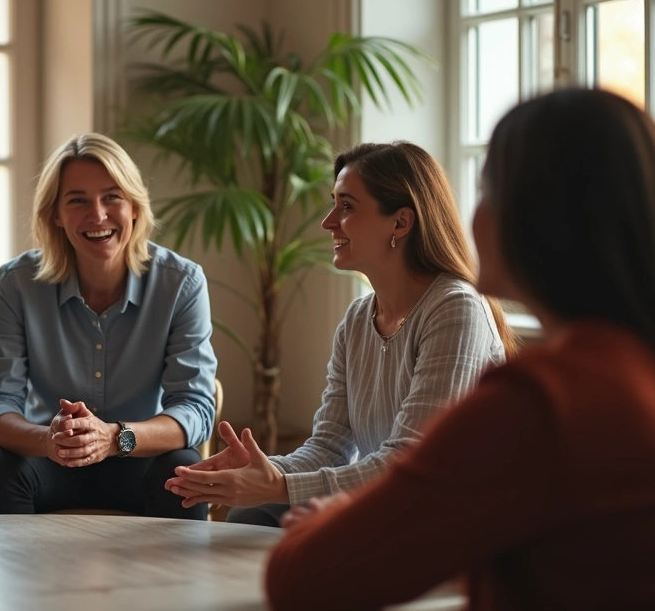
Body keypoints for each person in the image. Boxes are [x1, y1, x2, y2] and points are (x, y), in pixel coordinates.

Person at [266, 88, 655, 609]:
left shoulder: (539, 401)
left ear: (537, 220)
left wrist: (333, 515)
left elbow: (301, 578)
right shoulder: (627, 372)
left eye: (487, 191)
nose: (471, 217)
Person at [166, 141, 516, 526]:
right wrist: (258, 471)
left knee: (270, 510)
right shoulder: (357, 319)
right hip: (392, 503)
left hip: (450, 516)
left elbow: (410, 462)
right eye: (334, 203)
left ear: (401, 223)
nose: (328, 221)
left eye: (347, 206)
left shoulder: (456, 308)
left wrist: (277, 486)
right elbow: (329, 448)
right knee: (253, 511)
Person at [0, 132, 217, 519]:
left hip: (138, 455)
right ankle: (15, 565)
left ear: (134, 207)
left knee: (182, 469)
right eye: (77, 200)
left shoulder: (180, 282)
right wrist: (49, 440)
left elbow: (196, 408)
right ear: (55, 214)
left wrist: (114, 437)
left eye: (112, 197)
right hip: (50, 459)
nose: (98, 215)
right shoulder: (18, 283)